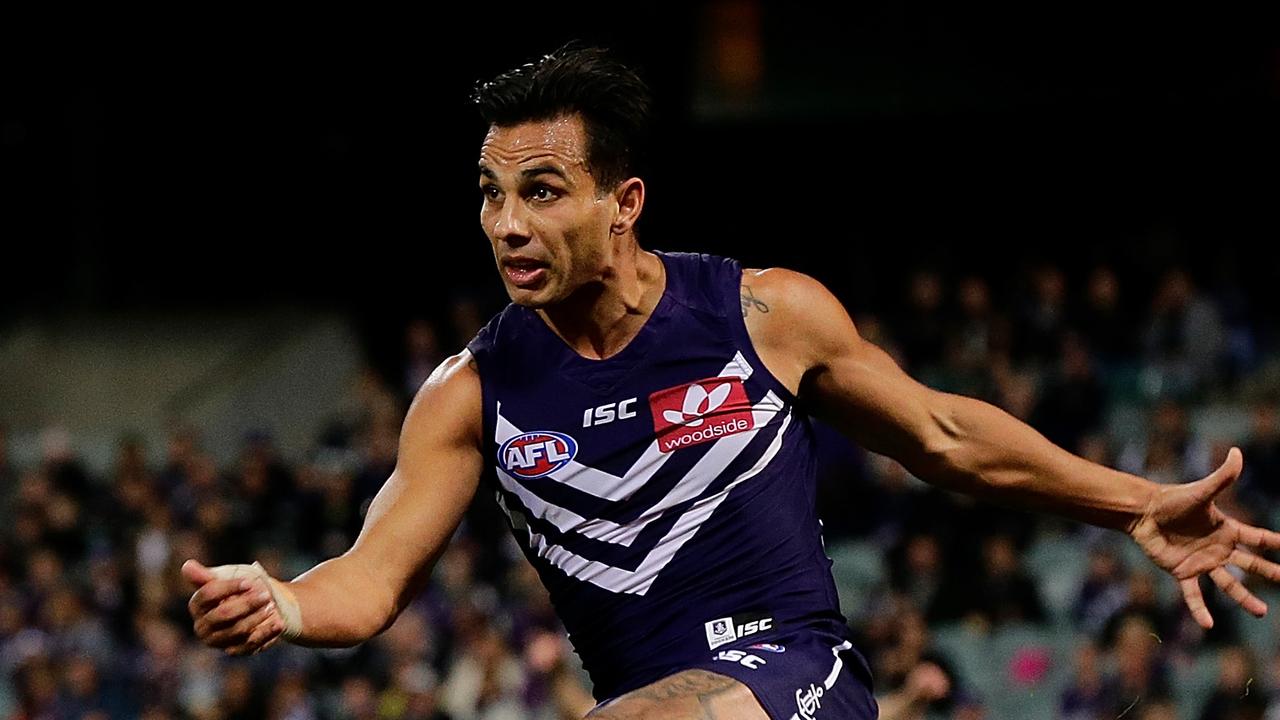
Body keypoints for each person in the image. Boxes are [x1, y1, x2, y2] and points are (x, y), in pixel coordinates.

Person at [182, 43, 1280, 720]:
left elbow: (944, 436)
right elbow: (369, 582)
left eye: (542, 190)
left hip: (802, 678)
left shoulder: (761, 314)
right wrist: (283, 598)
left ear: (623, 202)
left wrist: (1135, 501)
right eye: (486, 194)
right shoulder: (471, 392)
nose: (506, 224)